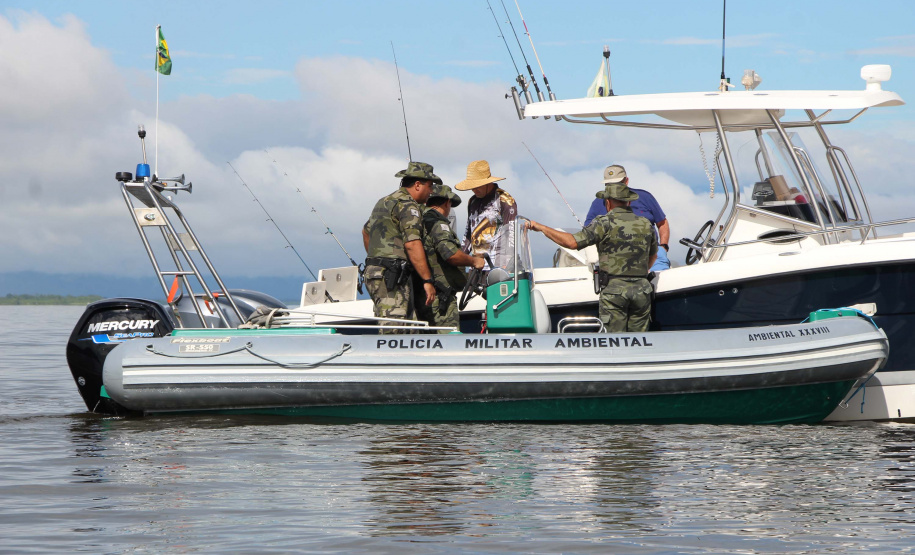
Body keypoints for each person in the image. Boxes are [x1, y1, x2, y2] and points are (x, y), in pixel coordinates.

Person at [528, 180, 657, 332]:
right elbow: (653, 256)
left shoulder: (604, 223)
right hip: (642, 291)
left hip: (614, 292)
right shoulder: (646, 224)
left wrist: (541, 227)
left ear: (608, 202)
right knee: (640, 342)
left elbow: (572, 242)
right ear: (628, 202)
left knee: (614, 344)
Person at [362, 162, 439, 333]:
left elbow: (366, 232)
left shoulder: (384, 202)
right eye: (430, 186)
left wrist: (378, 259)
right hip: (391, 276)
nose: (431, 191)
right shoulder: (408, 205)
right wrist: (427, 280)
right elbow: (412, 243)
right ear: (417, 185)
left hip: (377, 273)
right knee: (394, 330)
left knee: (409, 329)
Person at [417, 184, 486, 332]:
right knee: (447, 345)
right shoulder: (437, 223)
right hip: (440, 298)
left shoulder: (419, 221)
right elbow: (451, 255)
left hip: (424, 295)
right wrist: (474, 261)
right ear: (447, 203)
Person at [584, 165, 670, 271]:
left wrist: (663, 246)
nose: (614, 187)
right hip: (618, 261)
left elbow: (662, 223)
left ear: (626, 181)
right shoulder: (598, 203)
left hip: (652, 254)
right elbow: (588, 231)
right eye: (609, 184)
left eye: (617, 183)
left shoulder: (645, 197)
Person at [455, 160, 517, 270]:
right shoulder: (472, 201)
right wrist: (460, 258)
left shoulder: (505, 200)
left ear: (488, 182)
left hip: (497, 266)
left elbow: (510, 235)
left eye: (477, 186)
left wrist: (507, 266)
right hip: (476, 266)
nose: (474, 189)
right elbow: (468, 234)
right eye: (472, 186)